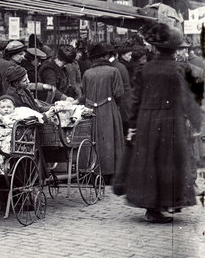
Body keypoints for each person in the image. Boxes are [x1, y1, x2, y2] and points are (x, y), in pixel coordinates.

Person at [125, 24, 201, 223]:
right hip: (170, 121)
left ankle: (152, 208)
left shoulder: (145, 68)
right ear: (175, 49)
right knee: (169, 162)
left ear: (156, 47)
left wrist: (132, 123)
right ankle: (166, 202)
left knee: (149, 162)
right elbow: (188, 99)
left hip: (146, 121)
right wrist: (198, 121)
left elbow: (135, 99)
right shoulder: (179, 69)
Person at [81, 43, 124, 182]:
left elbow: (85, 93)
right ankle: (110, 173)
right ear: (105, 56)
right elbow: (119, 93)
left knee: (93, 139)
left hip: (91, 110)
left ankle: (93, 170)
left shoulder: (87, 73)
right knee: (111, 139)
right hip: (109, 108)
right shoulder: (113, 71)